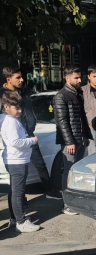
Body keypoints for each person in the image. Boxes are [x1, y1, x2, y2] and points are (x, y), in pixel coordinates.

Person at [0, 66, 61, 200]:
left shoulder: (24, 91)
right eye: (18, 78)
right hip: (14, 137)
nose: (22, 80)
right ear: (8, 79)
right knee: (18, 172)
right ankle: (20, 202)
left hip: (29, 133)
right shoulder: (2, 95)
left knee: (40, 164)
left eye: (21, 77)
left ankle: (49, 190)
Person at [0, 90, 41, 232]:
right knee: (18, 192)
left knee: (14, 191)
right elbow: (15, 141)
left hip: (15, 159)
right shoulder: (10, 122)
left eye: (20, 107)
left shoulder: (7, 119)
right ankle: (21, 222)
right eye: (16, 108)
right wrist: (32, 140)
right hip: (16, 160)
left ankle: (14, 218)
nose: (20, 111)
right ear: (6, 107)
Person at [54, 66, 91, 215]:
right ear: (66, 78)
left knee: (77, 172)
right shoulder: (61, 96)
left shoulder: (78, 93)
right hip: (71, 141)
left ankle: (76, 201)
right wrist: (69, 142)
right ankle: (67, 204)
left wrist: (86, 136)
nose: (79, 80)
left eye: (80, 77)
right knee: (68, 171)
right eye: (76, 77)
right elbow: (61, 121)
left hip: (80, 138)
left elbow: (82, 117)